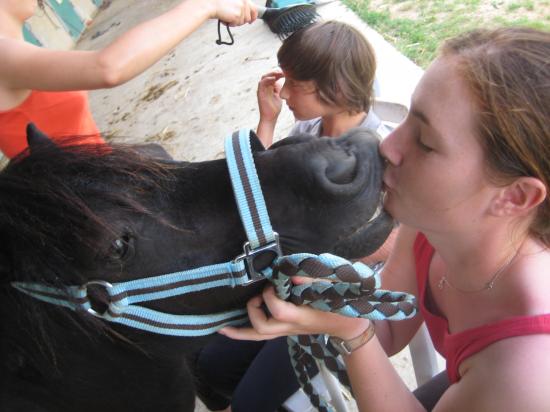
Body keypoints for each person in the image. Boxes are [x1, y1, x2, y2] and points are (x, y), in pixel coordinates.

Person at [221, 27, 550, 411]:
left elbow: (372, 333)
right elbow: (391, 329)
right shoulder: (428, 226)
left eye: (425, 142)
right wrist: (332, 308)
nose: (388, 145)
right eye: (408, 120)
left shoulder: (527, 372)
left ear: (516, 197)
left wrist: (353, 331)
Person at [195, 20, 395, 412]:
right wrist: (267, 120)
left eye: (293, 84)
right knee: (210, 365)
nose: (283, 92)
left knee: (252, 401)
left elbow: (388, 244)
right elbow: (263, 190)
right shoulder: (309, 127)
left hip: (335, 298)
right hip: (290, 280)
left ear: (333, 90)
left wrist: (308, 253)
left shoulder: (381, 153)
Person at [0, 0, 257, 158]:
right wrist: (204, 5)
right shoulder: (4, 54)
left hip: (93, 175)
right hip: (85, 201)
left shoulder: (14, 47)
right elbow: (108, 68)